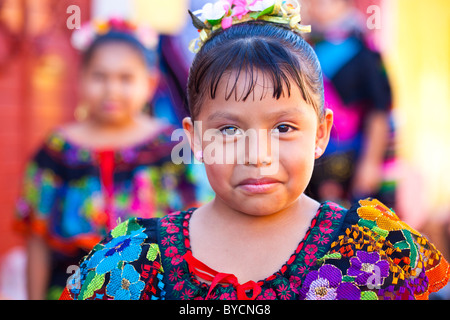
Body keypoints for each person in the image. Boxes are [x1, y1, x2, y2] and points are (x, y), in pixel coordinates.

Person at [60, 1, 449, 300]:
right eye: (229, 129)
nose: (257, 154)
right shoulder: (133, 262)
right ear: (194, 139)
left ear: (321, 133)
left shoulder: (372, 253)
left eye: (283, 127)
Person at [15, 18, 203, 300]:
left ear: (150, 82)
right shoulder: (58, 151)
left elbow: (197, 227)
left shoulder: (171, 148)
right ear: (80, 78)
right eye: (100, 77)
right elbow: (37, 242)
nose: (111, 90)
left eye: (125, 78)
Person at [304, 0, 395, 209]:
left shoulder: (364, 52)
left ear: (347, 6)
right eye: (314, 3)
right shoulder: (303, 49)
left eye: (328, 3)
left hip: (353, 159)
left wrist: (370, 163)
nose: (318, 7)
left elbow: (379, 110)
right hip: (314, 161)